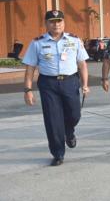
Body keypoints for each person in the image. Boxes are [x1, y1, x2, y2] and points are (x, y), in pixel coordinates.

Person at [22, 10, 90, 166]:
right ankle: (58, 153)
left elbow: (82, 64)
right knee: (53, 121)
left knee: (75, 114)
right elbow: (30, 68)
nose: (56, 24)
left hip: (70, 82)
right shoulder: (37, 43)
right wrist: (28, 89)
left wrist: (85, 85)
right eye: (52, 21)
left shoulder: (74, 40)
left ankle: (69, 131)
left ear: (64, 23)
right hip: (48, 84)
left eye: (59, 21)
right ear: (46, 24)